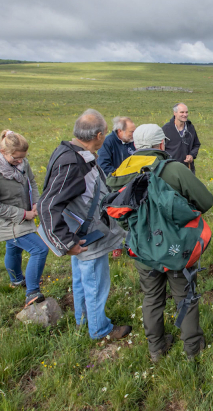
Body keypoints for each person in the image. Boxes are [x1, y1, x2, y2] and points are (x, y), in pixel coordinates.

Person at [111, 124, 213, 361]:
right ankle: (193, 349)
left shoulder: (120, 173)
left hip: (141, 249)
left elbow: (118, 214)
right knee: (185, 295)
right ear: (161, 144)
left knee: (151, 297)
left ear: (136, 145)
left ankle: (156, 349)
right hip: (177, 249)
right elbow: (206, 201)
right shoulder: (175, 169)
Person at [37, 109, 131, 341]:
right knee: (95, 284)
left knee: (82, 280)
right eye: (105, 132)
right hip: (88, 237)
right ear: (98, 135)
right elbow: (47, 205)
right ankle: (99, 330)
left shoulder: (70, 153)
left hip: (80, 232)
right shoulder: (72, 162)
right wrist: (66, 242)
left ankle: (82, 321)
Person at [0, 130, 49, 307]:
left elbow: (32, 182)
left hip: (22, 213)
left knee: (14, 247)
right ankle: (32, 292)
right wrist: (23, 214)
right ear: (3, 152)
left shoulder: (22, 163)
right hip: (3, 219)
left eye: (22, 158)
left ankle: (16, 280)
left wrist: (36, 203)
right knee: (39, 249)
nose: (20, 162)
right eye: (16, 159)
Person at [162, 103, 201, 174]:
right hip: (171, 169)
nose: (185, 115)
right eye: (182, 112)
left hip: (187, 168)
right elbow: (161, 148)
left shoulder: (190, 128)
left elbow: (196, 144)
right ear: (175, 113)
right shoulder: (166, 129)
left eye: (186, 112)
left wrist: (192, 155)